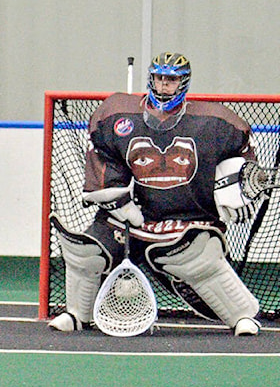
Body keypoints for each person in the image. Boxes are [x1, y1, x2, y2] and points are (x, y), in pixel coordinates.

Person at [48, 52, 262, 336]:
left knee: (196, 257)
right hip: (137, 217)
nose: (164, 86)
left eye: (171, 80)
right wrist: (118, 202)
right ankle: (77, 314)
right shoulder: (118, 115)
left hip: (191, 218)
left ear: (183, 83)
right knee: (85, 252)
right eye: (160, 79)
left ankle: (242, 316)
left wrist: (238, 192)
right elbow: (104, 162)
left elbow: (245, 158)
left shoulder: (215, 122)